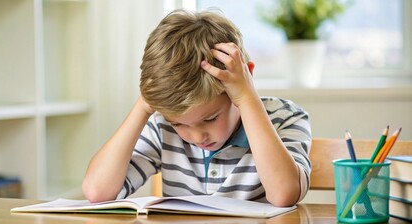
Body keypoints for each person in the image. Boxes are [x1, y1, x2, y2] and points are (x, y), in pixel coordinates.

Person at [82, 9, 311, 207]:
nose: (196, 136)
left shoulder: (286, 117)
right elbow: (98, 191)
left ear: (244, 80)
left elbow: (284, 194)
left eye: (210, 118)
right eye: (179, 123)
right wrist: (144, 104)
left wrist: (247, 98)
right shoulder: (162, 128)